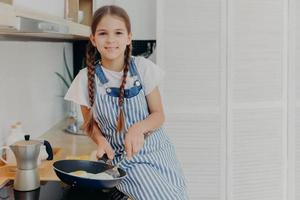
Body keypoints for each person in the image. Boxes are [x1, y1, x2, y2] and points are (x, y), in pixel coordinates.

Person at [65, 5, 188, 200]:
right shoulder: (84, 79)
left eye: (118, 32)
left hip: (157, 152)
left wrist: (138, 128)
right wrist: (101, 141)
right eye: (103, 33)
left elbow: (159, 115)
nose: (111, 40)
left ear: (129, 37)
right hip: (123, 161)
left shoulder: (143, 68)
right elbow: (90, 124)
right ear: (94, 39)